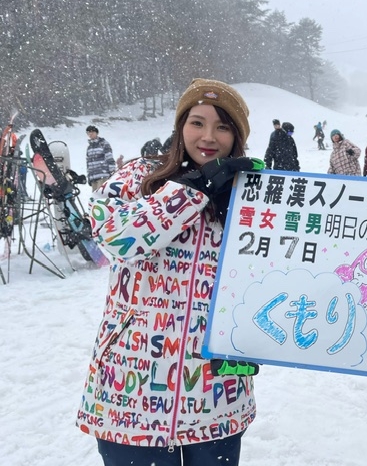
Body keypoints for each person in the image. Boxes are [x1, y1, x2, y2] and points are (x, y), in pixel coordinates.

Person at [76, 79, 262, 466]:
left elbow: (272, 279)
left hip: (215, 395)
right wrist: (191, 190)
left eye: (223, 127)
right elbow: (113, 241)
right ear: (180, 126)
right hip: (131, 393)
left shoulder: (247, 197)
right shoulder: (136, 178)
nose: (208, 136)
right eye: (197, 122)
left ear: (236, 137)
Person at [85, 125, 116, 191]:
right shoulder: (89, 147)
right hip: (93, 177)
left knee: (102, 197)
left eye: (92, 132)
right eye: (88, 132)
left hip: (103, 175)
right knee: (95, 198)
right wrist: (89, 176)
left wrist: (112, 172)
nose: (90, 134)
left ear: (96, 133)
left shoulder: (104, 144)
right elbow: (88, 163)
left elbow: (109, 158)